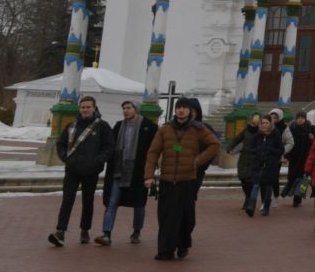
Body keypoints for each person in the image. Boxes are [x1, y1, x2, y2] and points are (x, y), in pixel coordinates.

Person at [144, 96, 219, 261]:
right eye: (178, 107)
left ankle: (183, 243)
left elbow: (214, 145)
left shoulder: (198, 128)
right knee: (165, 216)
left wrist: (197, 161)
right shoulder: (165, 129)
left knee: (185, 216)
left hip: (187, 180)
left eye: (184, 107)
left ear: (190, 111)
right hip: (167, 180)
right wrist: (149, 175)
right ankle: (165, 250)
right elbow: (153, 152)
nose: (181, 110)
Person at [49, 95, 114, 247]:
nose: (85, 110)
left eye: (88, 107)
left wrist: (97, 161)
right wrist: (66, 158)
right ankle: (60, 231)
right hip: (72, 169)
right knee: (67, 200)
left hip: (91, 170)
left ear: (94, 108)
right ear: (80, 108)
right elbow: (61, 144)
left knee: (88, 201)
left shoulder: (102, 126)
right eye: (83, 107)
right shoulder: (71, 125)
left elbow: (109, 147)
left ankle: (85, 230)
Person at [98, 99, 156, 247]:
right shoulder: (118, 126)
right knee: (112, 202)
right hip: (118, 171)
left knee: (139, 204)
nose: (125, 110)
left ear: (135, 109)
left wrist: (151, 170)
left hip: (138, 172)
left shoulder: (149, 127)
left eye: (128, 107)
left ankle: (137, 231)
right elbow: (109, 145)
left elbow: (154, 150)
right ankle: (106, 233)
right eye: (124, 108)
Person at [243, 114, 284, 217]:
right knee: (255, 185)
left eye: (266, 123)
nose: (264, 125)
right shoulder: (258, 135)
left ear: (270, 123)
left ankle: (266, 207)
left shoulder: (275, 134)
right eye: (263, 123)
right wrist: (257, 151)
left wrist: (270, 151)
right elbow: (251, 148)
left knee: (268, 186)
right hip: (258, 164)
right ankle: (251, 207)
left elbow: (281, 150)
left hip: (270, 165)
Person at [282, 111, 315, 203]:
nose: (300, 120)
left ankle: (299, 196)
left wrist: (312, 139)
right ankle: (290, 192)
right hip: (294, 158)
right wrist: (286, 156)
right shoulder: (291, 128)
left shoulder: (310, 129)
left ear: (305, 119)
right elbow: (288, 143)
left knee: (305, 178)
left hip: (306, 158)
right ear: (296, 119)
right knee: (292, 177)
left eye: (302, 118)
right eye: (299, 118)